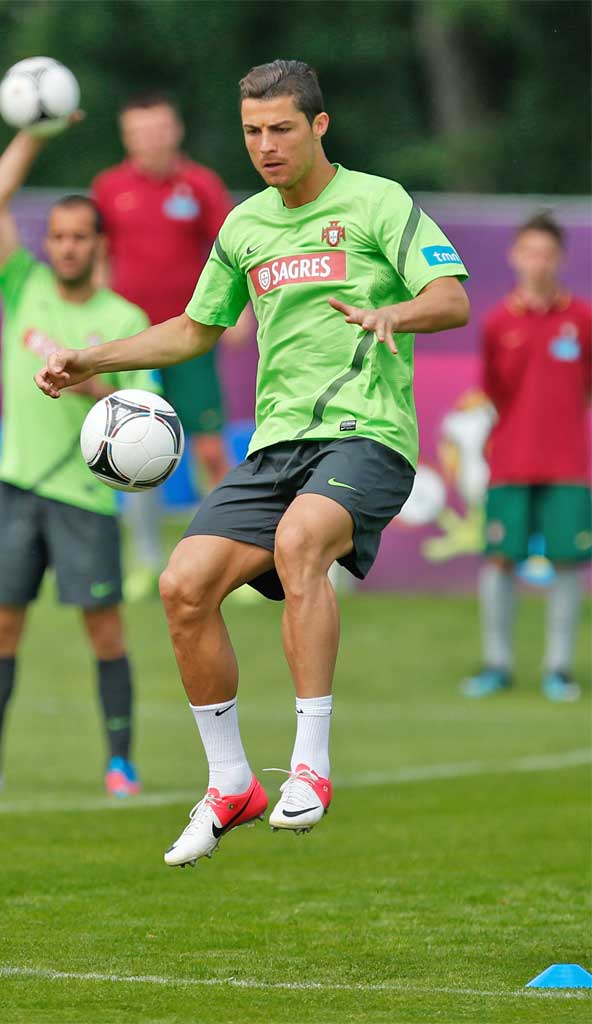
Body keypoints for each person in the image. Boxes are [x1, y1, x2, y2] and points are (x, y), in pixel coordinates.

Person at [35, 60, 470, 866]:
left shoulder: (378, 201)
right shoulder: (244, 227)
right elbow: (196, 330)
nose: (265, 147)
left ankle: (311, 763)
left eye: (280, 129)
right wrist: (92, 361)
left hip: (366, 435)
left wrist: (391, 313)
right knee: (182, 585)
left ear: (319, 126)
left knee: (304, 541)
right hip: (275, 448)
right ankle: (231, 781)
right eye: (251, 131)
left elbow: (451, 298)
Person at [0, 125, 157, 798]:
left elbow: (144, 411)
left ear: (99, 245)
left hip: (85, 498)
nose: (67, 246)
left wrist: (86, 376)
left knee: (104, 630)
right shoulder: (22, 286)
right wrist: (33, 133)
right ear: (50, 245)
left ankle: (120, 762)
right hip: (15, 488)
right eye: (59, 235)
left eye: (80, 237)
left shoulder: (125, 317)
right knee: (0, 625)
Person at [91, 93, 241, 599]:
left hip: (191, 337)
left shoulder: (199, 184)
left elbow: (234, 251)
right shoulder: (109, 189)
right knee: (134, 445)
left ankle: (233, 559)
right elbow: (98, 261)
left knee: (210, 448)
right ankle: (146, 563)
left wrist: (241, 311)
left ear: (175, 130)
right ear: (126, 136)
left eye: (157, 130)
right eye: (138, 132)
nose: (149, 140)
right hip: (133, 343)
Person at [462, 213, 591, 702]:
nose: (537, 263)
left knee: (566, 562)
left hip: (567, 465)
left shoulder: (581, 319)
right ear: (514, 256)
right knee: (499, 559)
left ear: (560, 258)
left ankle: (558, 668)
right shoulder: (498, 322)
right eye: (529, 252)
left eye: (546, 254)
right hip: (511, 462)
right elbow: (493, 388)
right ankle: (498, 664)